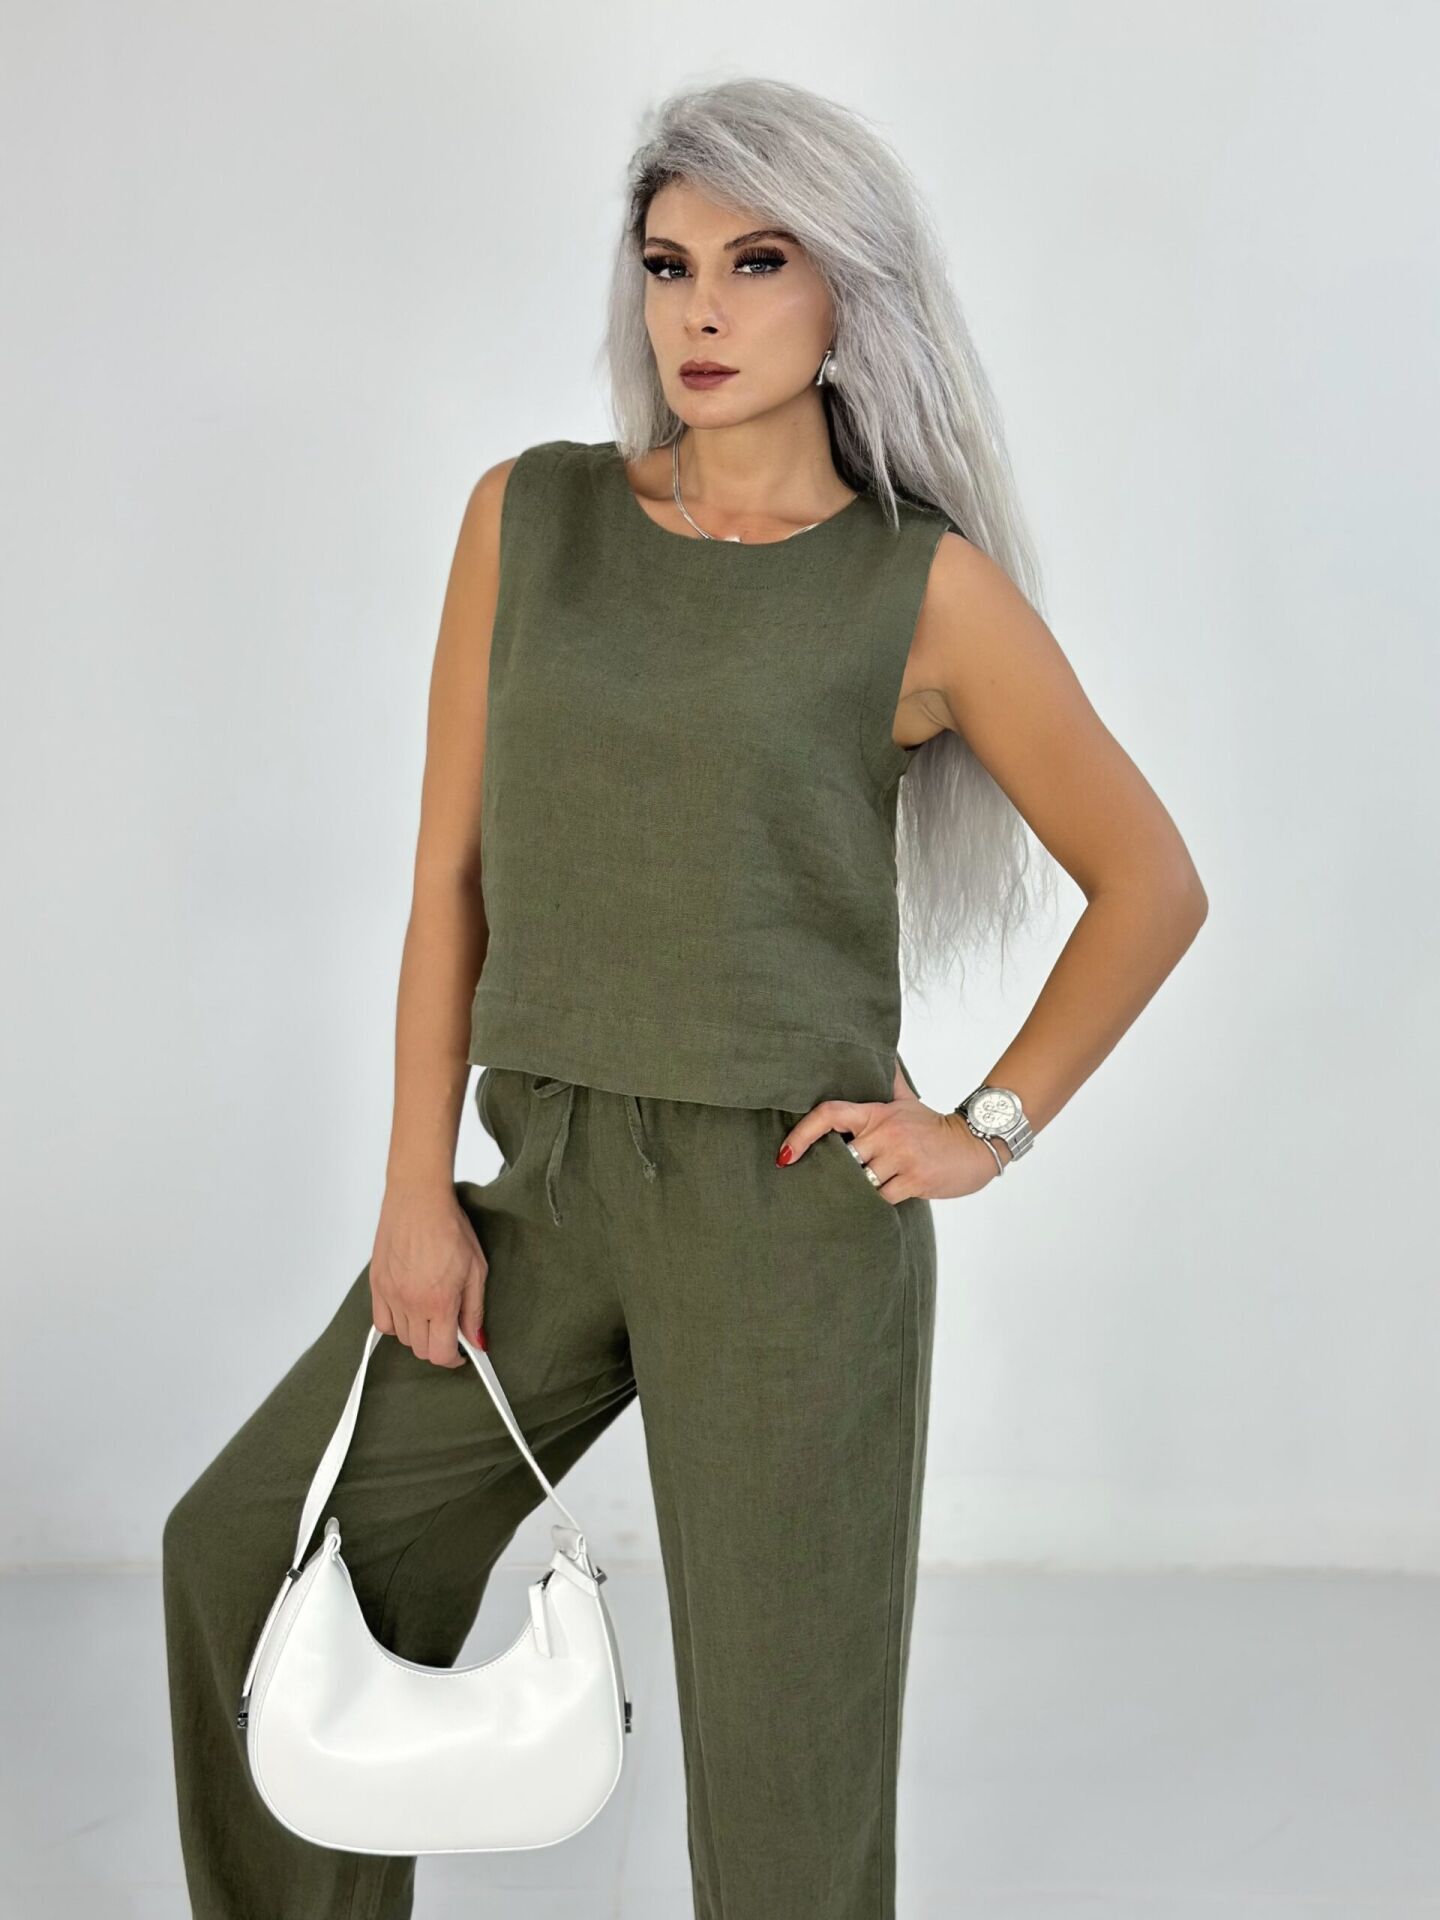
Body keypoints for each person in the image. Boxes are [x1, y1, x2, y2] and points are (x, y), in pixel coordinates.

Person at [161, 74, 1207, 1920]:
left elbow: (1152, 883)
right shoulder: (531, 518)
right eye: (667, 266)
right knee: (247, 1556)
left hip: (791, 1224)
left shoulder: (921, 592)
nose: (700, 312)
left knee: (788, 1783)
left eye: (756, 262)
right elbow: (450, 881)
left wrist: (983, 1128)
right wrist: (415, 1192)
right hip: (540, 1196)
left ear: (848, 294)